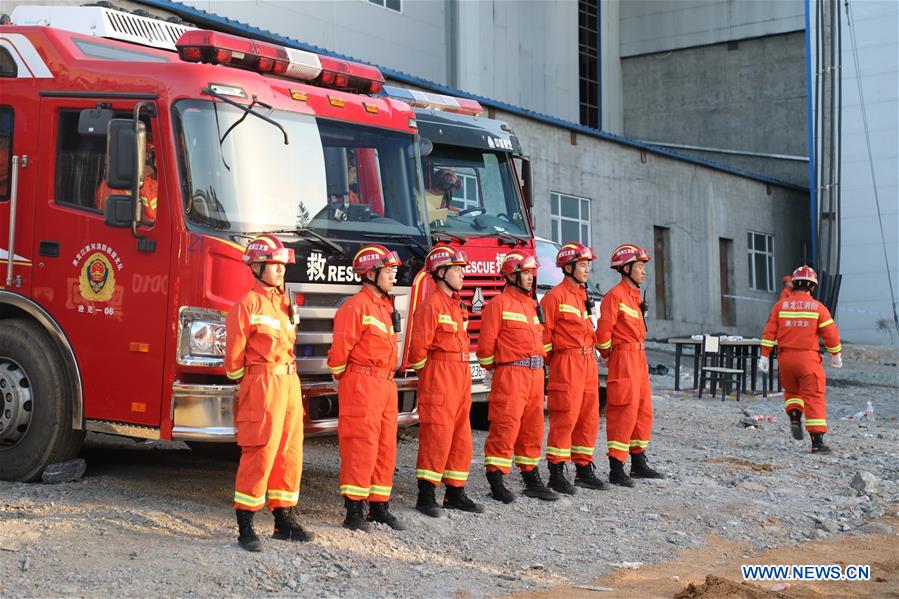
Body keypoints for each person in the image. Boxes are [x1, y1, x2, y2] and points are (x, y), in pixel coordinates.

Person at [224, 234, 311, 552]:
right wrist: (251, 382)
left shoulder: (283, 304)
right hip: (263, 385)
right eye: (274, 265)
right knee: (259, 450)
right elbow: (233, 362)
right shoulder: (247, 305)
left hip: (288, 384)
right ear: (257, 266)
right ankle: (245, 524)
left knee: (289, 452)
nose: (280, 271)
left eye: (282, 266)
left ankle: (283, 519)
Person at [327, 244, 406, 531]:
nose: (392, 276)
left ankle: (379, 506)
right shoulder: (355, 307)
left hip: (385, 383)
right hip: (362, 382)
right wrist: (347, 379)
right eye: (388, 271)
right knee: (361, 445)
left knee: (385, 447)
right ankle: (354, 512)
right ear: (370, 273)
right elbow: (338, 356)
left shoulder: (385, 307)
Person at [408, 246, 484, 517]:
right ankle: (426, 495)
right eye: (456, 269)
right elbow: (418, 352)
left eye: (462, 269)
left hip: (460, 376)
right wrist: (431, 376)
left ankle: (455, 491)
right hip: (440, 377)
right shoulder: (431, 306)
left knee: (460, 435)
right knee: (437, 435)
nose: (462, 274)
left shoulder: (456, 305)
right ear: (441, 272)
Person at [476, 253, 559, 503]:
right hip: (511, 374)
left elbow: (542, 340)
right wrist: (501, 369)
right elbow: (484, 350)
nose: (530, 277)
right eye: (525, 273)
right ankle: (496, 478)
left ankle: (530, 477)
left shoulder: (532, 305)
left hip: (534, 374)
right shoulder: (498, 304)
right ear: (511, 276)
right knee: (506, 425)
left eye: (531, 273)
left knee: (532, 428)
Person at [540, 242, 608, 494]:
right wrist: (557, 363)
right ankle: (557, 472)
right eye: (582, 265)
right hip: (567, 363)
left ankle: (583, 468)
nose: (587, 269)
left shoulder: (583, 296)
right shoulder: (553, 298)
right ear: (568, 267)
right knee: (565, 417)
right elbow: (543, 338)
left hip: (587, 362)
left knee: (588, 417)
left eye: (588, 264)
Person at [596, 244, 665, 487]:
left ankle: (638, 462)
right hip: (624, 358)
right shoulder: (614, 297)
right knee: (623, 411)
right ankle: (617, 468)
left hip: (638, 358)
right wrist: (611, 355)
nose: (644, 272)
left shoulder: (635, 296)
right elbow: (603, 335)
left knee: (643, 410)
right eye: (639, 267)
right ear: (626, 268)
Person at [758, 265, 843, 453]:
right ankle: (817, 442)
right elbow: (831, 334)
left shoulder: (780, 306)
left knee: (792, 391)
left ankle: (795, 417)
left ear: (794, 284)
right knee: (814, 396)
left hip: (785, 359)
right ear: (812, 287)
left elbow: (769, 331)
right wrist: (835, 354)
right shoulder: (818, 308)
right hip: (808, 359)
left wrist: (764, 355)